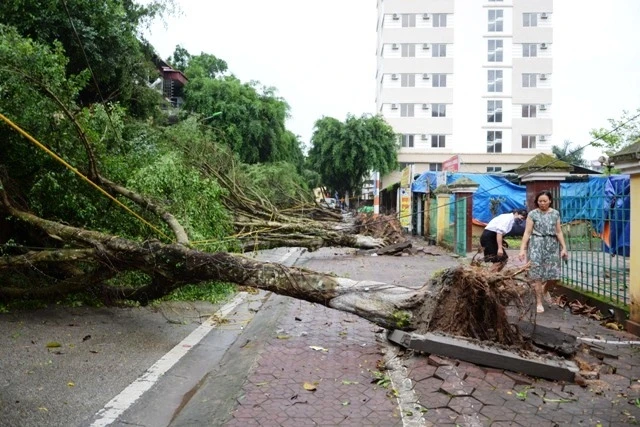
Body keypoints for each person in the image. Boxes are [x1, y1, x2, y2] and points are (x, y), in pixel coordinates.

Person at [518, 190, 568, 313]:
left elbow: (558, 232)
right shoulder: (533, 214)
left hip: (552, 245)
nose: (542, 203)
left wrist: (564, 247)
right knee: (537, 275)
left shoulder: (555, 214)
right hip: (536, 244)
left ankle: (545, 289)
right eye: (540, 201)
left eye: (545, 201)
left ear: (550, 201)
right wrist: (522, 249)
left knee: (554, 275)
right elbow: (527, 232)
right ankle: (539, 302)